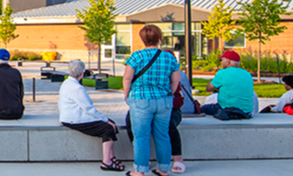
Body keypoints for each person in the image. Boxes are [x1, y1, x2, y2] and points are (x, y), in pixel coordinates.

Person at [122, 25, 180, 176]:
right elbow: (175, 81)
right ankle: (163, 169)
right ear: (159, 38)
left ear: (142, 39)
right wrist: (169, 94)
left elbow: (127, 78)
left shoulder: (136, 56)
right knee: (162, 135)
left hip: (141, 99)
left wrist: (127, 95)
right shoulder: (169, 57)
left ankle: (140, 170)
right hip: (164, 100)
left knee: (141, 136)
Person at [60, 60, 124, 172]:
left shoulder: (67, 83)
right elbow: (89, 109)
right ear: (83, 72)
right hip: (73, 119)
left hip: (70, 116)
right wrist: (106, 120)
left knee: (111, 123)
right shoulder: (77, 88)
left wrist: (108, 120)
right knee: (108, 128)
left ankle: (111, 156)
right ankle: (106, 162)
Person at [127, 67, 194, 174]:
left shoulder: (172, 78)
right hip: (149, 106)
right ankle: (143, 159)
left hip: (171, 109)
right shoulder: (144, 78)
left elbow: (179, 101)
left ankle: (177, 159)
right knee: (131, 121)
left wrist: (164, 100)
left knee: (169, 126)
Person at [201, 50, 254, 120]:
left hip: (227, 110)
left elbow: (209, 88)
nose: (220, 62)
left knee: (202, 108)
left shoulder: (222, 73)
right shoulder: (247, 74)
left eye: (221, 60)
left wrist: (215, 87)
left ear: (228, 61)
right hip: (246, 111)